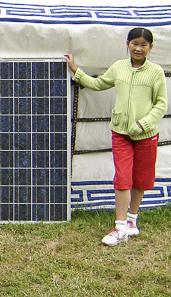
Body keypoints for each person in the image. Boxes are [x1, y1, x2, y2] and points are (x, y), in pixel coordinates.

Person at [65, 27, 167, 246]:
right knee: (122, 177)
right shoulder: (119, 67)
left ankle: (132, 221)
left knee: (140, 178)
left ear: (151, 47)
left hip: (146, 134)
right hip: (121, 132)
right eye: (134, 43)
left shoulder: (156, 71)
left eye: (143, 44)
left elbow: (161, 104)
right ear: (127, 44)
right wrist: (76, 70)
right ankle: (120, 226)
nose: (138, 48)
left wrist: (143, 124)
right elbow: (98, 84)